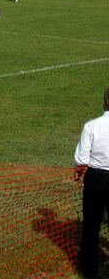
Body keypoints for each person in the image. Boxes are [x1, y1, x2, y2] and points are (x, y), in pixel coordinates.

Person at [74, 88, 109, 278]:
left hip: (96, 178)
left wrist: (79, 175)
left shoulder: (91, 126)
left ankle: (89, 271)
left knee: (91, 225)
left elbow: (81, 160)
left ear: (105, 102)